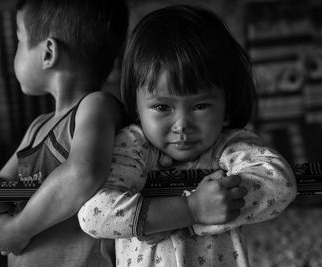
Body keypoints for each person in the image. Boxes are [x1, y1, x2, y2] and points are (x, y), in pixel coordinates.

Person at [77, 5, 297, 267]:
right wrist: (190, 209)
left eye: (200, 106)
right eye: (162, 107)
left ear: (226, 106)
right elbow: (93, 215)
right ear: (137, 107)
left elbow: (280, 184)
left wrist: (192, 220)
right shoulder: (134, 146)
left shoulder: (228, 146)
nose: (181, 126)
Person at [0, 0, 128, 266]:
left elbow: (83, 173)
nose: (15, 52)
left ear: (48, 53)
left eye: (19, 40)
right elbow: (3, 192)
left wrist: (19, 229)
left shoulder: (96, 106)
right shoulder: (38, 126)